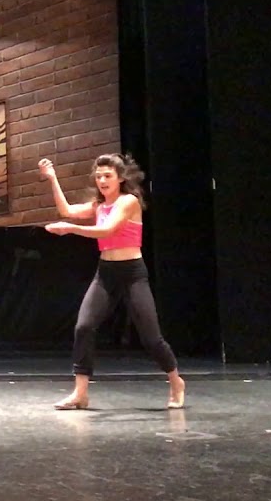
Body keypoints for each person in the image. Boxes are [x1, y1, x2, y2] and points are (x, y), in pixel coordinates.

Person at [39, 154, 186, 411]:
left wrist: (70, 229)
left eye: (108, 176)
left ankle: (176, 381)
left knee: (151, 338)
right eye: (98, 176)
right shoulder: (99, 205)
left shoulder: (128, 202)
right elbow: (67, 211)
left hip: (132, 273)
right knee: (84, 327)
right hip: (106, 272)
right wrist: (52, 178)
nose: (102, 180)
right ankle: (80, 393)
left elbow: (107, 230)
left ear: (120, 178)